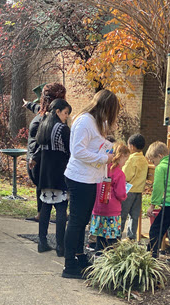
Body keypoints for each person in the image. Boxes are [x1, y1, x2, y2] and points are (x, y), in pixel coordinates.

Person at [62, 89, 120, 279]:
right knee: (77, 222)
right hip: (80, 178)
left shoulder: (96, 122)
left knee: (82, 222)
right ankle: (69, 264)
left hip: (90, 177)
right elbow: (78, 151)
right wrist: (104, 158)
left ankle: (79, 256)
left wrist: (106, 154)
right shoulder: (85, 121)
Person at [23, 83, 67, 223]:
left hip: (41, 161)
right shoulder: (52, 116)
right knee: (46, 191)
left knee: (47, 192)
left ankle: (49, 216)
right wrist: (29, 104)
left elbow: (42, 144)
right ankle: (45, 215)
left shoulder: (48, 121)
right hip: (40, 159)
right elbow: (39, 108)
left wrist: (34, 157)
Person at [35, 98, 72, 257]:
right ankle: (60, 246)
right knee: (61, 208)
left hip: (44, 171)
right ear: (58, 112)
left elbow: (38, 148)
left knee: (45, 207)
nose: (66, 116)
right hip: (60, 171)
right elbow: (70, 150)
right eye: (65, 113)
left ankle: (42, 241)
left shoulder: (43, 125)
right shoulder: (62, 129)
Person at [90, 143, 130, 253]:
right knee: (113, 239)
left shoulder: (102, 169)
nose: (125, 162)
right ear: (121, 156)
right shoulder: (119, 174)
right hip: (112, 211)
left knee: (100, 236)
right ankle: (111, 259)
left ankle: (98, 257)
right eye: (125, 160)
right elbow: (121, 194)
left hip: (98, 208)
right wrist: (125, 195)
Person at [120, 133, 149, 240]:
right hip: (139, 191)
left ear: (131, 146)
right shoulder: (144, 159)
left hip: (128, 191)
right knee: (134, 216)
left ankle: (117, 236)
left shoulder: (131, 159)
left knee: (122, 215)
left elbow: (125, 176)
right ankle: (131, 237)